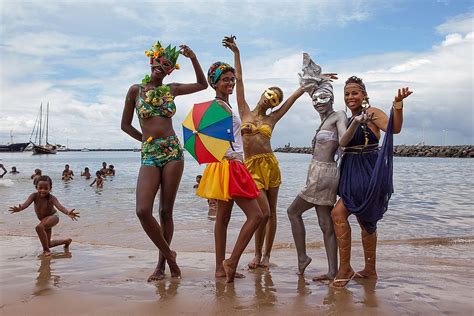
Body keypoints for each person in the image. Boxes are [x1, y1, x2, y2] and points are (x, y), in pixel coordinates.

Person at [121, 40, 207, 281]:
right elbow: (125, 125)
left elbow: (202, 84)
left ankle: (161, 266)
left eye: (167, 65)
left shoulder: (172, 90)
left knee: (166, 212)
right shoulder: (135, 90)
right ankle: (170, 255)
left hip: (172, 152)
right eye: (159, 61)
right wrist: (145, 141)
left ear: (170, 71)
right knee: (142, 210)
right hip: (149, 153)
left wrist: (193, 57)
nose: (162, 66)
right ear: (152, 61)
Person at [223, 36, 307, 269]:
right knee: (262, 212)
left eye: (275, 99)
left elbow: (292, 99)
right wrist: (236, 53)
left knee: (272, 213)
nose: (271, 98)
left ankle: (266, 256)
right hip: (251, 166)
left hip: (270, 164)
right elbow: (239, 80)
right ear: (263, 93)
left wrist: (309, 84)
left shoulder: (273, 117)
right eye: (269, 93)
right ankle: (256, 254)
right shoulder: (244, 110)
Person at [330, 76, 413, 288]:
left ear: (364, 95)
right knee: (363, 220)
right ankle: (369, 270)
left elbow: (394, 129)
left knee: (339, 214)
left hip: (367, 169)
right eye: (347, 93)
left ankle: (346, 268)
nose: (350, 97)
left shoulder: (372, 113)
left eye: (355, 92)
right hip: (350, 169)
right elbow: (341, 143)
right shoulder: (348, 119)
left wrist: (398, 105)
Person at [196, 58, 263, 283]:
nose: (230, 83)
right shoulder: (217, 106)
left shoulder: (225, 106)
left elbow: (222, 136)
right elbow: (217, 138)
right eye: (225, 80)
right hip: (231, 164)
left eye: (232, 80)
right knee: (256, 216)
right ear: (214, 83)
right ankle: (231, 261)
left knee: (222, 219)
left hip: (223, 164)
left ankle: (219, 268)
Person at [287, 53, 347, 281]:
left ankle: (303, 258)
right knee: (325, 223)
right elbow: (308, 86)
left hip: (323, 174)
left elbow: (343, 139)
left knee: (293, 212)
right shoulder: (324, 119)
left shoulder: (338, 115)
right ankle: (333, 272)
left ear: (331, 98)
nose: (318, 102)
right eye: (315, 100)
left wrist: (354, 126)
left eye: (323, 98)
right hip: (320, 173)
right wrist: (319, 78)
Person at [9, 175, 80, 257]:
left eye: (46, 188)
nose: (43, 190)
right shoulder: (34, 196)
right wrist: (19, 208)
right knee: (48, 243)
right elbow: (26, 204)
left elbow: (59, 206)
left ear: (50, 188)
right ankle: (66, 241)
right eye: (40, 188)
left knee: (39, 228)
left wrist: (68, 212)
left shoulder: (51, 198)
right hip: (44, 220)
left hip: (53, 217)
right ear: (36, 187)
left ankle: (46, 250)